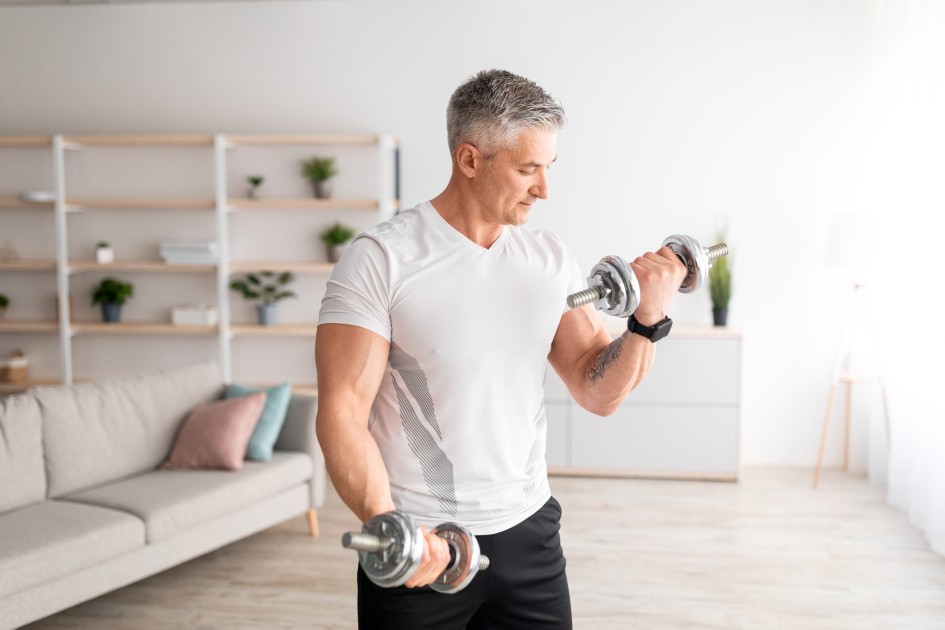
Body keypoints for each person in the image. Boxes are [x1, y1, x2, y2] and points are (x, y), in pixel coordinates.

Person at [315, 69, 686, 629]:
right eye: (527, 169)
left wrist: (646, 321)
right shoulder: (382, 260)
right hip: (424, 541)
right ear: (470, 160)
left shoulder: (548, 259)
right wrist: (390, 524)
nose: (544, 189)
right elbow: (342, 413)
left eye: (549, 167)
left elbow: (598, 392)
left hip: (529, 534)